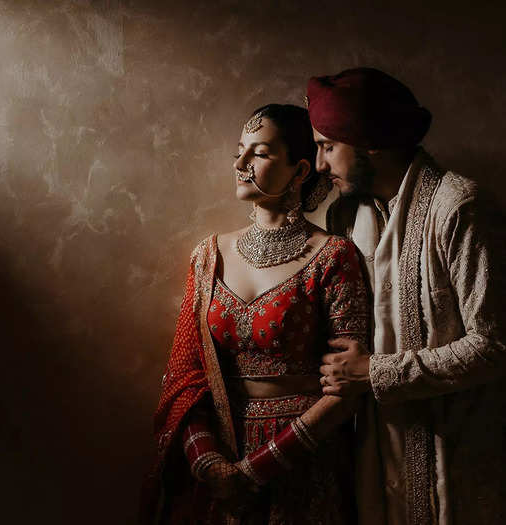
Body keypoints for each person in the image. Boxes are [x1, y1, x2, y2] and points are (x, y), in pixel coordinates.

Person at [141, 104, 371, 524]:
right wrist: (210, 464)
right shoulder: (208, 255)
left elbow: (348, 387)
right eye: (239, 152)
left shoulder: (333, 256)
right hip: (218, 453)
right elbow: (184, 377)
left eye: (259, 153)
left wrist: (257, 469)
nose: (240, 165)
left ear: (301, 171)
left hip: (303, 460)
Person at [308, 67, 506, 525]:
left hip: (455, 457)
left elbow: (494, 346)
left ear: (371, 142)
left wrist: (373, 372)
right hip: (375, 452)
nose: (320, 164)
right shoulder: (345, 216)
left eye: (328, 147)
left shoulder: (459, 207)